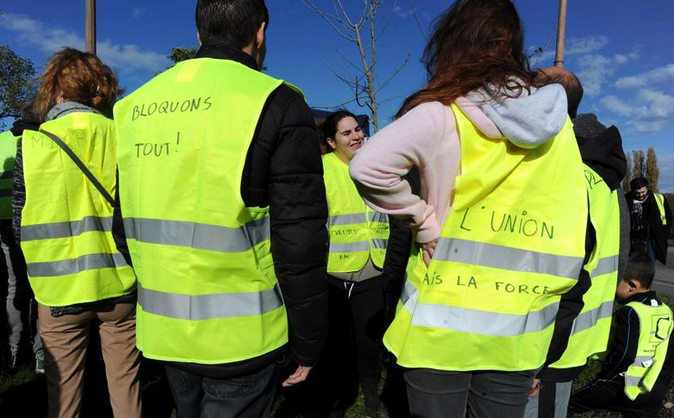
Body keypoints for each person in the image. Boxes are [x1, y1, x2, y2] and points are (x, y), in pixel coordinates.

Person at [349, 0, 588, 416]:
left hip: (441, 327)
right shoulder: (560, 128)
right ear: (513, 47)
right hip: (520, 325)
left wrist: (423, 223)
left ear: (454, 45)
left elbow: (369, 167)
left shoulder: (443, 113)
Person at [112, 0, 329, 416]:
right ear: (260, 33)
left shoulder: (132, 107)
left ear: (199, 36)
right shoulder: (276, 101)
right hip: (244, 338)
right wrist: (309, 340)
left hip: (165, 332)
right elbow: (299, 239)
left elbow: (124, 227)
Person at [15, 48, 141, 417]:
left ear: (55, 91)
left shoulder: (34, 142)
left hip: (58, 290)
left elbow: (18, 221)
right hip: (120, 282)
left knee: (64, 396)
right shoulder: (123, 137)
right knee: (126, 385)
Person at [523, 67, 628, 418]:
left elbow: (563, 275)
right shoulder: (602, 175)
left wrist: (539, 358)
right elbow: (619, 252)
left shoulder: (565, 173)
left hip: (546, 344)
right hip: (575, 336)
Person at [318, 110, 409, 417]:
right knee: (337, 344)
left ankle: (370, 393)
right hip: (334, 272)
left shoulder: (378, 165)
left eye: (357, 129)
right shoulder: (321, 171)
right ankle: (337, 399)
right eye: (346, 133)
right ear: (331, 142)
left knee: (369, 341)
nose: (356, 136)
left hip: (373, 269)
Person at [568, 255, 674, 417]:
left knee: (567, 404)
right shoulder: (666, 311)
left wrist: (607, 376)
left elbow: (625, 353)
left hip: (621, 386)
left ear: (632, 285)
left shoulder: (630, 311)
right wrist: (662, 385)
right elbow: (669, 355)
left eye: (616, 282)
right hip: (652, 388)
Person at [0, 102, 43, 374]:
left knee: (14, 286)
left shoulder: (3, 140)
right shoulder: (40, 141)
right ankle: (42, 353)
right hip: (34, 220)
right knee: (41, 287)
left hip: (3, 224)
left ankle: (15, 350)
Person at [626, 177, 672, 264]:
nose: (641, 195)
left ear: (647, 188)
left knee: (648, 269)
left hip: (651, 242)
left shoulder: (658, 199)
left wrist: (663, 236)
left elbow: (668, 218)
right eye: (637, 193)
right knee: (631, 269)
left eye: (643, 192)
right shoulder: (625, 201)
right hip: (631, 242)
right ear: (632, 191)